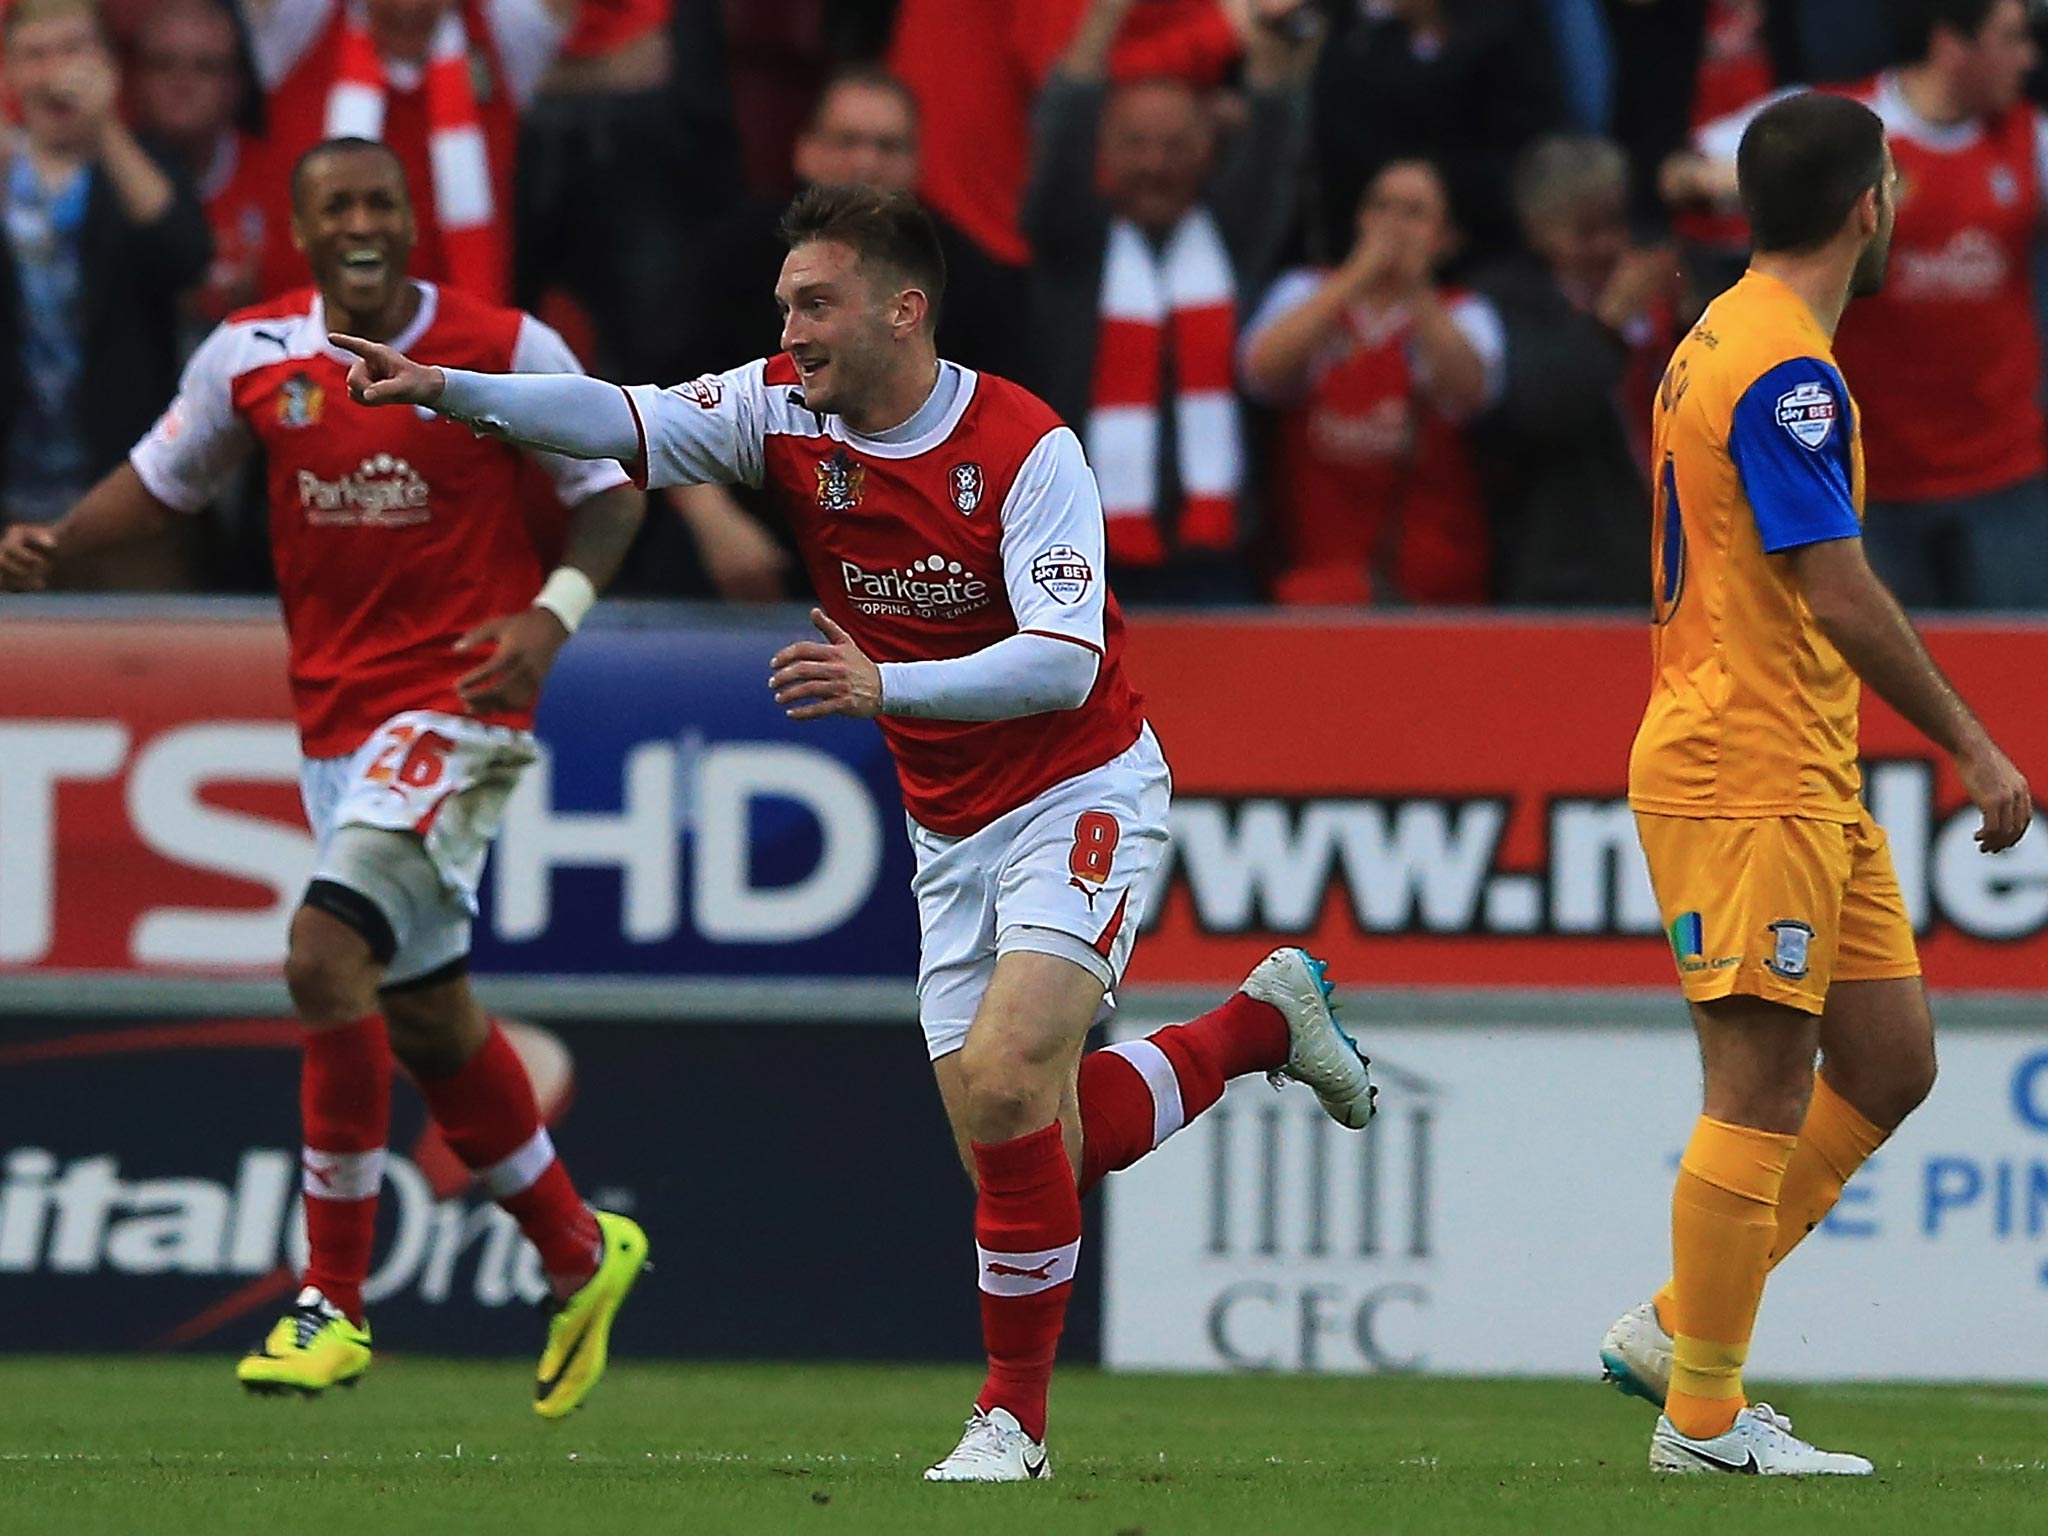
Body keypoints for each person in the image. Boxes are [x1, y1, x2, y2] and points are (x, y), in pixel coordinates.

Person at [329, 182, 1378, 1481]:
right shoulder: (779, 410)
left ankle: (1013, 1426)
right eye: (784, 305)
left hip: (1080, 789)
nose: (793, 328)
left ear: (904, 308)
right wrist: (444, 388)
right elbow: (622, 417)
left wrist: (889, 688)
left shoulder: (1028, 447)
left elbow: (1058, 664)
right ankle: (1260, 1025)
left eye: (814, 303)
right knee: (1026, 1139)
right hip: (949, 827)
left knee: (1005, 1086)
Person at [0, 137, 650, 1415]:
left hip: (459, 715)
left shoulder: (504, 347)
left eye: (381, 203)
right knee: (425, 1016)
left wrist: (549, 618)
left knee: (318, 958)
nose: (362, 222)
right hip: (334, 735)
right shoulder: (251, 355)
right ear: (301, 231)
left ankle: (331, 1302)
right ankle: (581, 1251)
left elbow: (611, 490)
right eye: (336, 205)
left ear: (413, 221)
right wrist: (60, 544)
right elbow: (168, 477)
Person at [1602, 91, 2032, 1475]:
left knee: (1891, 1057)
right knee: (1759, 1081)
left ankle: (1681, 1328)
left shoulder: (1712, 338)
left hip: (1798, 765)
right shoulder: (1788, 372)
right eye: (1895, 186)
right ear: (1871, 205)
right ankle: (1704, 1417)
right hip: (1751, 768)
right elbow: (1835, 589)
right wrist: (1972, 741)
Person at [1668, 0, 2048, 609]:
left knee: (2016, 673)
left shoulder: (2028, 140)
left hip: (2001, 474)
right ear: (1952, 42)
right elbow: (1685, 170)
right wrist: (1762, 187)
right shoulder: (1840, 127)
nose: (2029, 58)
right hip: (1864, 480)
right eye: (2012, 39)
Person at [1025, 0, 1318, 602]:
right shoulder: (1072, 243)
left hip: (1218, 562)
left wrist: (1272, 29)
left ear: (1208, 151)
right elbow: (1065, 121)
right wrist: (1106, 13)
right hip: (1074, 566)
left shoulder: (1234, 239)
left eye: (1175, 145)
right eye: (1136, 144)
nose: (1155, 164)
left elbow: (1273, 135)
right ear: (1104, 150)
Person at [0, 0, 212, 585]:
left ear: (108, 66)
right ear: (10, 71)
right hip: (11, 496)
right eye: (36, 54)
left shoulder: (146, 163)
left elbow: (185, 259)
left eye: (73, 51)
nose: (55, 72)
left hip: (124, 501)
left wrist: (106, 130)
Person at [1239, 157, 1492, 606]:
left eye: (1414, 213)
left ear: (1447, 238)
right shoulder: (1303, 291)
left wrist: (1415, 289)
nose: (1394, 225)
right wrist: (1357, 275)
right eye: (1381, 207)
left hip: (1433, 593)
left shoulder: (1465, 312)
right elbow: (1261, 370)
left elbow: (1470, 390)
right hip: (1316, 582)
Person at [242, 0, 579, 306]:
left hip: (457, 344)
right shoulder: (302, 27)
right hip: (308, 338)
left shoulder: (503, 33)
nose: (409, 7)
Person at [1459, 135, 1675, 606]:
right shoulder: (1500, 306)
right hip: (1565, 580)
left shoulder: (1667, 297)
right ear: (1538, 229)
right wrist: (1609, 324)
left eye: (1617, 223)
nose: (1610, 244)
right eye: (1587, 230)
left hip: (1673, 570)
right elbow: (1538, 412)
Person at [126, 0, 281, 325]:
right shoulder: (106, 176)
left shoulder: (281, 179)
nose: (182, 83)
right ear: (136, 79)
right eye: (163, 64)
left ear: (237, 84)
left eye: (206, 66)